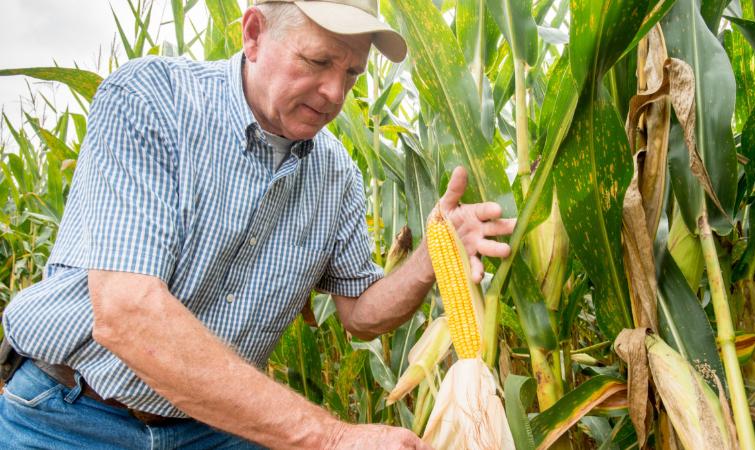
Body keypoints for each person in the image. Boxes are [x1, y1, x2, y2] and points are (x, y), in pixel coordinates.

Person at [0, 1, 515, 448]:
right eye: (317, 61)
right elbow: (128, 314)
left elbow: (360, 312)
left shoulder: (337, 176)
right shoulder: (152, 102)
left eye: (353, 74)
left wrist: (432, 257)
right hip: (68, 416)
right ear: (253, 35)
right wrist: (332, 437)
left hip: (211, 426)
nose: (335, 93)